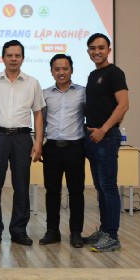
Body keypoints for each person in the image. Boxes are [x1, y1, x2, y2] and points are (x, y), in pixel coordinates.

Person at [0, 39, 45, 246]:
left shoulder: (32, 83)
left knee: (22, 185)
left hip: (22, 138)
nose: (13, 59)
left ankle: (19, 230)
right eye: (9, 55)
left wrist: (38, 142)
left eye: (17, 55)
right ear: (3, 58)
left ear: (23, 58)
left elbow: (38, 113)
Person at [82, 33, 129, 252]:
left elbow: (123, 105)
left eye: (101, 48)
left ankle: (112, 236)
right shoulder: (93, 75)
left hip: (106, 138)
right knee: (101, 187)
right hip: (93, 138)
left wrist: (104, 129)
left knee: (109, 187)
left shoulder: (115, 73)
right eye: (92, 48)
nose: (97, 51)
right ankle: (104, 230)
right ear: (88, 51)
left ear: (109, 50)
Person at [39, 54, 86, 248]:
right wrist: (38, 143)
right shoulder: (45, 94)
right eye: (57, 69)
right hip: (51, 148)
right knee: (52, 191)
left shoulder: (83, 92)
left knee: (76, 191)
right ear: (51, 72)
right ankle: (52, 231)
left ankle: (76, 233)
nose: (61, 72)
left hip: (75, 147)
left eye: (65, 68)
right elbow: (40, 121)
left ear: (71, 70)